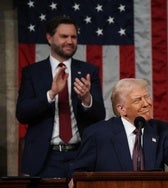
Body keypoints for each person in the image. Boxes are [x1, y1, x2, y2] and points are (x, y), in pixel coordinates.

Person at [68, 78, 168, 188]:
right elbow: (78, 172)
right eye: (138, 100)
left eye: (147, 97)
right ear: (122, 109)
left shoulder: (161, 131)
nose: (147, 103)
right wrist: (74, 180)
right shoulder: (98, 134)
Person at [16, 16, 106, 178]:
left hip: (81, 156)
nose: (70, 41)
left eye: (74, 37)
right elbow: (22, 114)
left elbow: (100, 115)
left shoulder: (88, 71)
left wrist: (86, 99)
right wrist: (50, 94)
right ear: (49, 38)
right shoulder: (32, 72)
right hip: (45, 159)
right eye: (64, 36)